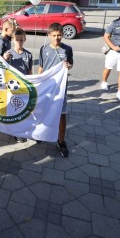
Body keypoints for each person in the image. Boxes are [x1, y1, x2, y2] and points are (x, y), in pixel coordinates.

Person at [38, 23, 73, 157]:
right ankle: (41, 134)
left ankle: (61, 141)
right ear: (49, 35)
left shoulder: (68, 49)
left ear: (62, 35)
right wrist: (38, 82)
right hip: (46, 87)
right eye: (53, 35)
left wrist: (68, 66)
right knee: (43, 112)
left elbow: (70, 64)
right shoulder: (44, 48)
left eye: (59, 35)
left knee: (62, 115)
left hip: (60, 88)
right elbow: (41, 67)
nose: (56, 38)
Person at [9, 28, 33, 143]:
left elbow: (30, 72)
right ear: (13, 40)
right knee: (13, 110)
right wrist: (4, 58)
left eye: (21, 40)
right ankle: (14, 132)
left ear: (25, 40)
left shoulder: (28, 55)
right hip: (12, 89)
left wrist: (31, 84)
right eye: (17, 40)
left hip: (23, 88)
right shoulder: (8, 54)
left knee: (23, 110)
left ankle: (22, 130)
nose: (19, 42)